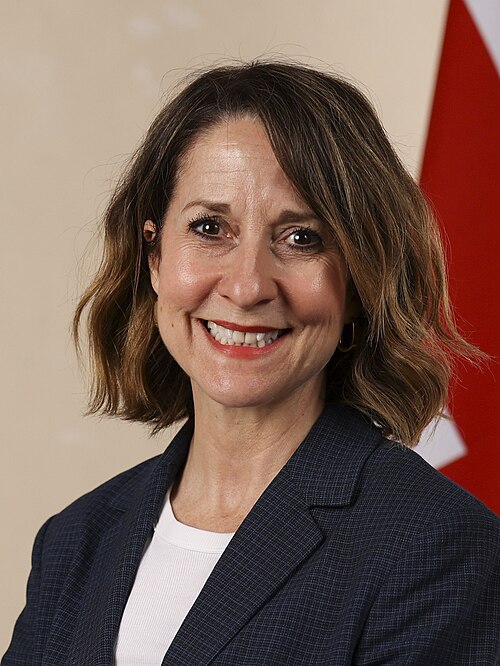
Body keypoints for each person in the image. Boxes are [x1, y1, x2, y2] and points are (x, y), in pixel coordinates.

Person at [3, 61, 499, 666]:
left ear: (359, 279)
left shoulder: (437, 547)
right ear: (154, 257)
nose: (246, 286)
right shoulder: (74, 543)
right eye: (210, 228)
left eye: (301, 238)